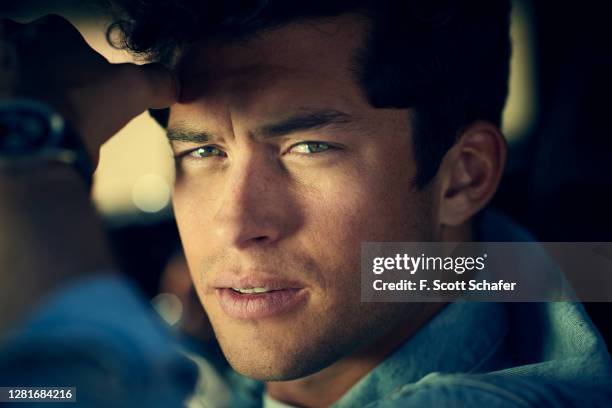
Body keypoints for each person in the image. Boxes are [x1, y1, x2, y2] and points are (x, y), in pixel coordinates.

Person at [0, 1, 610, 406]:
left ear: (463, 178)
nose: (235, 226)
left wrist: (32, 150)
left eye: (309, 147)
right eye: (204, 152)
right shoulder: (511, 265)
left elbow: (41, 392)